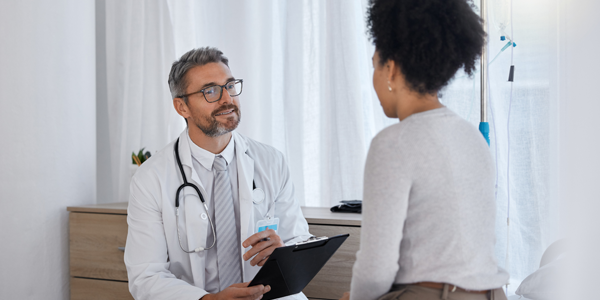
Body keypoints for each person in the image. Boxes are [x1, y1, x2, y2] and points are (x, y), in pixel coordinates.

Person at [341, 0, 509, 300]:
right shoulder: (472, 137)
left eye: (374, 65)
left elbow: (375, 267)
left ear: (390, 69)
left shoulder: (393, 143)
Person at [124, 47, 312, 300]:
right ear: (182, 107)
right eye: (210, 91)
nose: (227, 99)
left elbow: (298, 240)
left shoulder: (271, 161)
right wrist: (209, 299)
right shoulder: (151, 178)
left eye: (230, 86)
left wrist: (284, 252)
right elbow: (146, 276)